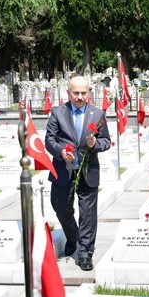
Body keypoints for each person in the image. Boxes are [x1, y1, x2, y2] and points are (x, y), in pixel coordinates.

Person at [44, 75, 112, 271]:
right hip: (63, 169)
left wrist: (95, 144)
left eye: (84, 92)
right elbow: (49, 140)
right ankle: (73, 237)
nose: (80, 96)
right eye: (76, 93)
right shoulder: (58, 112)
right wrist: (61, 152)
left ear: (88, 93)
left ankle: (84, 253)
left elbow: (106, 141)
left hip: (88, 170)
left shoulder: (97, 114)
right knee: (60, 207)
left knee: (88, 214)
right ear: (68, 93)